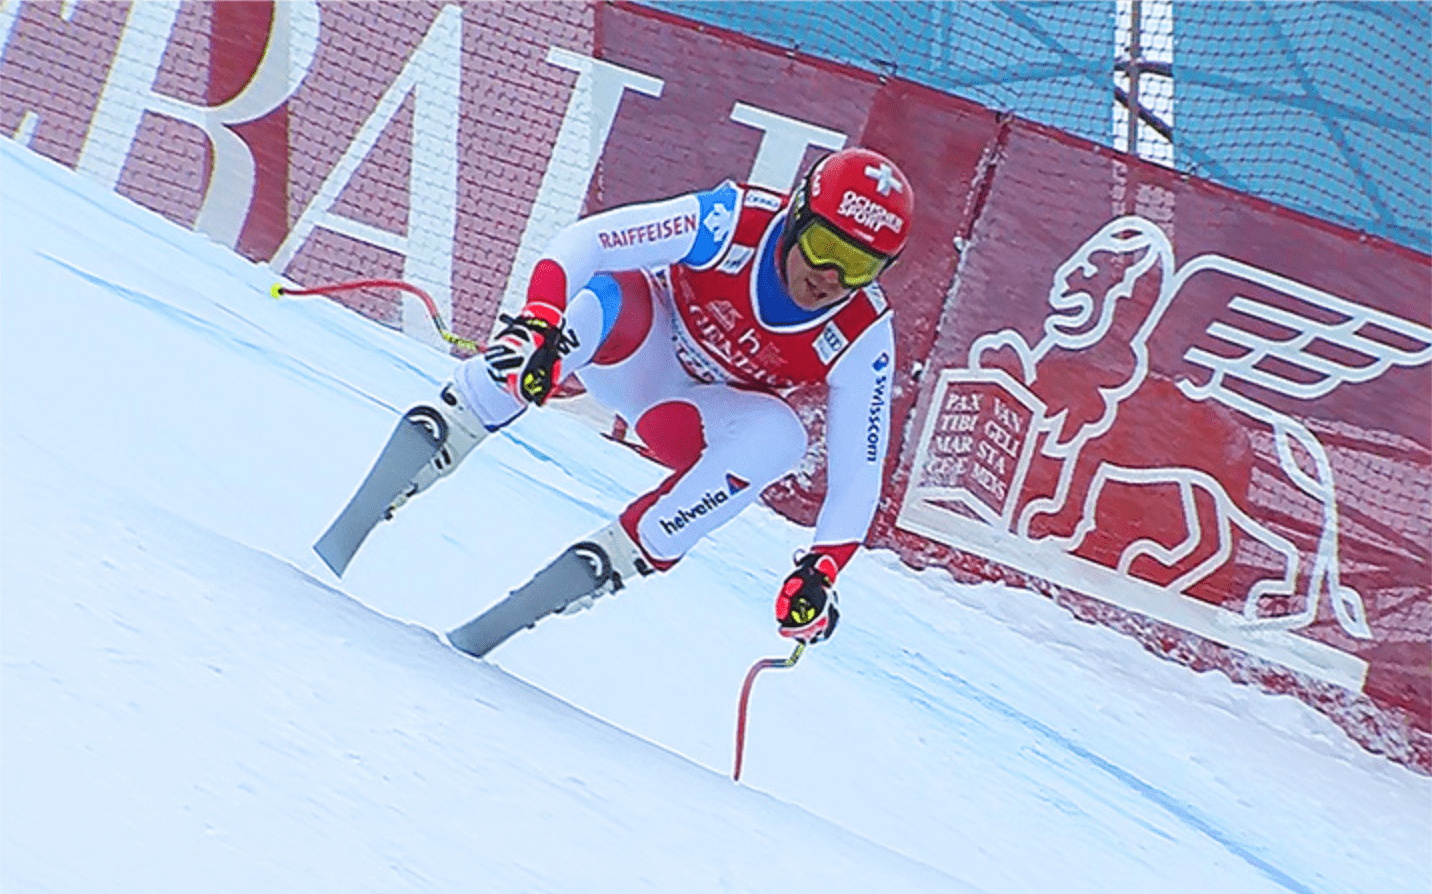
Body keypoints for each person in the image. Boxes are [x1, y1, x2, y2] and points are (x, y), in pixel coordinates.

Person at [400, 147, 914, 657]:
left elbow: (857, 475)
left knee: (782, 437)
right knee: (604, 293)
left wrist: (820, 572)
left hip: (688, 419)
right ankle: (456, 420)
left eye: (857, 265)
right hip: (629, 349)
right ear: (797, 215)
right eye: (826, 247)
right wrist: (539, 317)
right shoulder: (733, 221)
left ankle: (620, 556)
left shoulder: (864, 332)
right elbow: (590, 240)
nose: (831, 278)